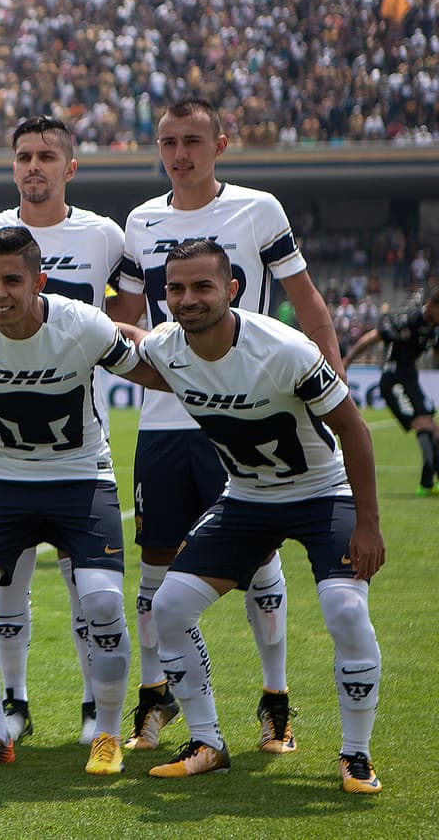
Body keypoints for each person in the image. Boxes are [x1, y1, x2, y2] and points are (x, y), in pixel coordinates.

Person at [115, 98, 345, 754]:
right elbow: (128, 319)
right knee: (155, 562)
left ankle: (275, 700)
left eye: (191, 140)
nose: (179, 154)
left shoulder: (258, 209)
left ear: (221, 142)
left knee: (260, 559)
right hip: (163, 420)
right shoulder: (142, 220)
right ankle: (156, 700)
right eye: (167, 142)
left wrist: (334, 382)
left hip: (242, 417)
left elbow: (308, 303)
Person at [131, 239, 384, 794]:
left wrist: (367, 524)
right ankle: (207, 742)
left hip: (323, 493)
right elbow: (122, 343)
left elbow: (356, 431)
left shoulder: (284, 348)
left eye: (202, 286)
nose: (188, 299)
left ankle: (357, 755)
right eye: (176, 288)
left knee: (344, 609)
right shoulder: (167, 347)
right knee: (168, 607)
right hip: (247, 497)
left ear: (232, 289)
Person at [0, 226, 165, 774]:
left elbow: (146, 368)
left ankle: (105, 733)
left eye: (12, 280)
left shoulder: (82, 323)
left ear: (39, 281)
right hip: (5, 480)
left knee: (101, 603)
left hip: (82, 479)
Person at [0, 115, 146, 746]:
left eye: (46, 156)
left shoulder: (103, 233)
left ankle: (96, 710)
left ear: (69, 167)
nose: (33, 166)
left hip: (77, 440)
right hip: (6, 446)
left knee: (87, 589)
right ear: (12, 166)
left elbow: (123, 322)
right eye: (23, 156)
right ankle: (13, 702)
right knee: (7, 580)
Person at [344, 286, 439, 495]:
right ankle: (426, 484)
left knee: (434, 428)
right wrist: (347, 361)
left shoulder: (434, 328)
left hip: (410, 378)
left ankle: (435, 481)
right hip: (393, 379)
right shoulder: (408, 320)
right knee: (423, 423)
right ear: (432, 305)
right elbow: (372, 337)